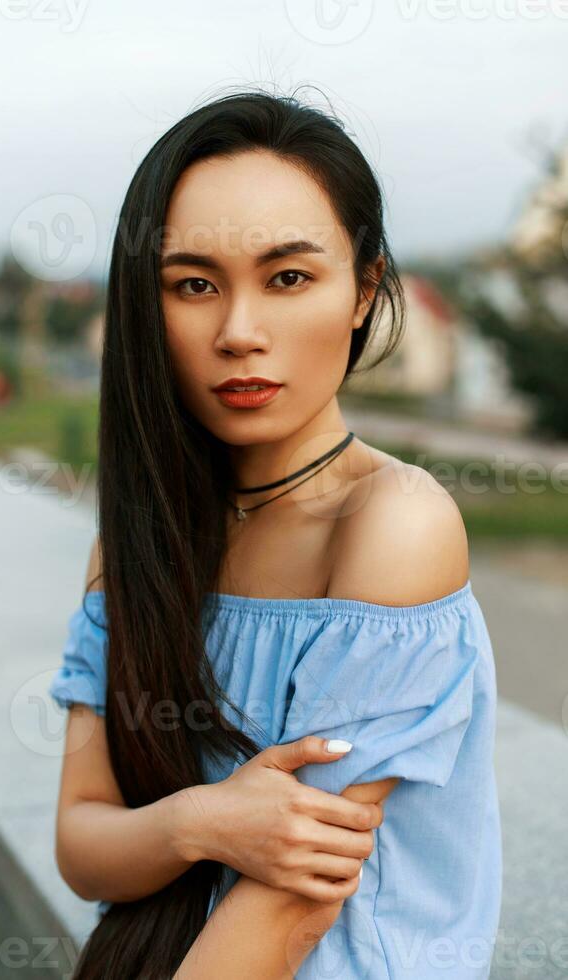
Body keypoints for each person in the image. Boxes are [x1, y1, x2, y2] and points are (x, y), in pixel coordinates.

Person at [48, 88, 502, 979]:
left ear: (364, 290)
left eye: (289, 278)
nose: (240, 333)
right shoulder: (140, 538)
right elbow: (82, 842)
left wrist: (187, 827)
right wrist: (200, 819)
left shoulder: (393, 524)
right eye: (193, 285)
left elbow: (293, 905)